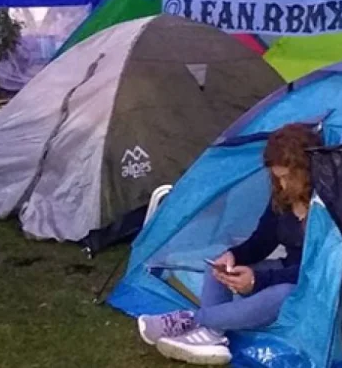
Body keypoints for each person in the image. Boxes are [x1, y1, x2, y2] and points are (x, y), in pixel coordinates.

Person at [136, 123, 322, 365]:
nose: (283, 186)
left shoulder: (325, 204)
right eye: (277, 179)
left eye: (288, 178)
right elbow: (261, 241)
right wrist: (234, 256)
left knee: (284, 293)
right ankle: (212, 337)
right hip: (285, 269)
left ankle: (194, 320)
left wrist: (258, 281)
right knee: (218, 267)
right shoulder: (284, 197)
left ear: (306, 171)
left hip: (312, 286)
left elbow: (315, 271)